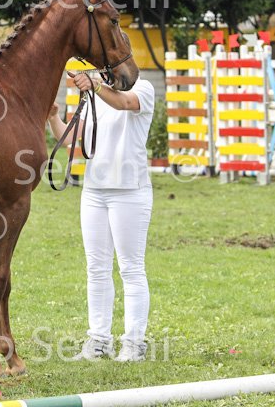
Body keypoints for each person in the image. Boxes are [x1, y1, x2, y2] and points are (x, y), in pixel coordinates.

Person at [48, 72, 155, 361]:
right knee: (96, 268)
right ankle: (99, 340)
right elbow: (72, 139)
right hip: (94, 191)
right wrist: (53, 116)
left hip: (130, 190)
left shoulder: (143, 88)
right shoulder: (94, 95)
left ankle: (134, 342)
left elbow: (124, 103)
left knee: (131, 268)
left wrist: (94, 85)